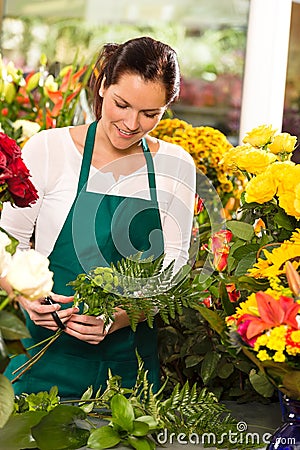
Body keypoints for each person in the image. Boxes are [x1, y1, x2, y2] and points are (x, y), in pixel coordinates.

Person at [0, 36, 196, 399]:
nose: (131, 123)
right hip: (38, 363)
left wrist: (121, 317)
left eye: (150, 114)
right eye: (122, 104)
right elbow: (5, 241)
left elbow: (175, 267)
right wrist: (21, 295)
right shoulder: (48, 149)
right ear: (104, 85)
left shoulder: (176, 166)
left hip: (128, 375)